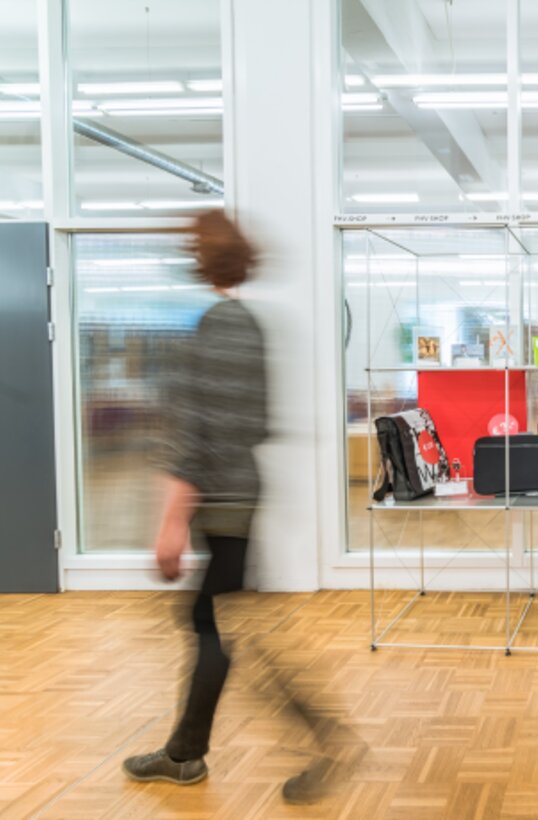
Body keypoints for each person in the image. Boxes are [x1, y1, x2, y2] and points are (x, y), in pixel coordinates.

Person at [121, 211, 341, 803]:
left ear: (202, 257)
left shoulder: (211, 328)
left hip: (220, 501)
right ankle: (187, 751)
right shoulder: (250, 325)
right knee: (215, 621)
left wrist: (169, 524)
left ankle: (323, 740)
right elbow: (259, 422)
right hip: (244, 493)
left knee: (215, 624)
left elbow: (192, 436)